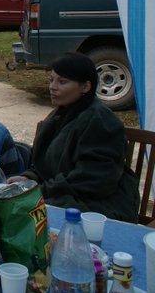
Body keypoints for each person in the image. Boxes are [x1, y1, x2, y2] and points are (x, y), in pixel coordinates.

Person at [10, 52, 139, 222]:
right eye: (51, 80)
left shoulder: (101, 121)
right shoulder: (60, 114)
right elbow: (45, 164)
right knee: (11, 207)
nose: (53, 87)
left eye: (62, 82)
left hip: (99, 207)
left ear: (85, 87)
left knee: (24, 214)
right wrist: (29, 178)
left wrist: (41, 190)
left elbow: (93, 179)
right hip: (64, 194)